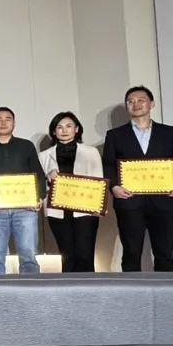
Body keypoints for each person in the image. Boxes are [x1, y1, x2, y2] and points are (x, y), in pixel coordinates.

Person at [103, 85, 173, 272]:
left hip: (164, 200)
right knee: (131, 254)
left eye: (140, 100)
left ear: (152, 104)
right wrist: (114, 187)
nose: (135, 104)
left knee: (165, 254)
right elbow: (108, 166)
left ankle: (166, 289)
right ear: (127, 106)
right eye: (130, 101)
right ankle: (132, 291)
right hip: (128, 201)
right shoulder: (115, 135)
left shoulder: (170, 132)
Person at [0, 106, 46, 275]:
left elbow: (38, 174)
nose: (3, 122)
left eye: (8, 119)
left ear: (14, 123)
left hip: (25, 210)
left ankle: (30, 289)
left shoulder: (26, 145)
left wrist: (39, 198)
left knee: (29, 256)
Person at [39, 111, 103, 273]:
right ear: (54, 132)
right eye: (59, 127)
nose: (64, 130)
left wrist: (98, 205)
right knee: (66, 254)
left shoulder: (91, 152)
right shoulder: (44, 156)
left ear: (77, 129)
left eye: (68, 126)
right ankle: (68, 287)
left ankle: (87, 287)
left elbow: (98, 179)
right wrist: (48, 177)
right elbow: (39, 185)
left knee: (85, 253)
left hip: (85, 209)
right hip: (57, 211)